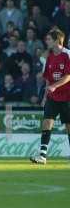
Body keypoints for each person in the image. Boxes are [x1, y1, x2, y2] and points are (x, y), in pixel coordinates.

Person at [30, 29, 70, 164]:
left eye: (48, 39)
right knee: (47, 122)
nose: (46, 42)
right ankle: (42, 155)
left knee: (69, 126)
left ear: (56, 40)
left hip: (67, 97)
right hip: (53, 96)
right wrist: (45, 96)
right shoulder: (49, 57)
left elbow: (68, 76)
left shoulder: (67, 55)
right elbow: (48, 78)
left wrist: (55, 86)